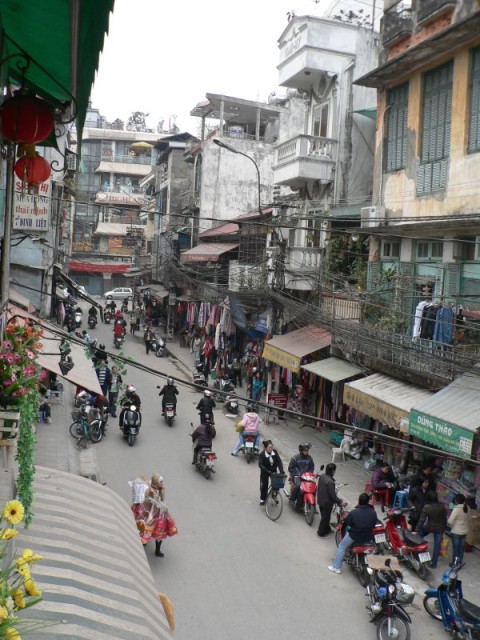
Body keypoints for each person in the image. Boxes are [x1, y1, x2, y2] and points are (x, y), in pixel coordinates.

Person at [328, 492, 378, 574]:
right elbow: (373, 524)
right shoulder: (373, 513)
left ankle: (336, 567)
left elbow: (347, 523)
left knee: (341, 547)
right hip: (368, 536)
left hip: (355, 536)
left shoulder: (354, 512)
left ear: (359, 501)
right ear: (367, 502)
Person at [139, 473, 177, 558]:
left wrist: (162, 505)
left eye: (162, 481)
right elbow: (145, 501)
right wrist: (152, 500)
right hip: (150, 513)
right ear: (156, 482)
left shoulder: (162, 490)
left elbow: (163, 501)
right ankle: (143, 540)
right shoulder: (149, 491)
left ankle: (157, 550)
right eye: (160, 481)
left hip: (160, 513)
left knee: (160, 532)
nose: (162, 483)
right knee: (146, 528)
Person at [415, 491, 448, 569]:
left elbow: (422, 520)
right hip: (439, 528)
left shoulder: (427, 507)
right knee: (437, 546)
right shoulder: (442, 507)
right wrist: (444, 528)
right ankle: (434, 563)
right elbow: (444, 519)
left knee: (419, 537)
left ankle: (419, 554)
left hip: (429, 527)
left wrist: (416, 529)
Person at [317, 463, 346, 537]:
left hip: (320, 500)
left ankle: (327, 529)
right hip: (327, 503)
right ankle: (321, 532)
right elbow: (333, 496)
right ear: (333, 471)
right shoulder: (330, 482)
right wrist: (340, 502)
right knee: (325, 518)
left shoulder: (322, 476)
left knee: (326, 517)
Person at [287, 443, 315, 508]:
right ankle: (292, 499)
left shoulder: (310, 458)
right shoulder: (295, 458)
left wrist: (310, 473)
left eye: (307, 451)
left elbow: (312, 466)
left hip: (307, 477)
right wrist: (298, 473)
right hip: (297, 476)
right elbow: (291, 468)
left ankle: (313, 505)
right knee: (298, 486)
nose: (307, 452)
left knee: (313, 487)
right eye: (305, 451)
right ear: (301, 451)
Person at [258, 440, 284, 506]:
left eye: (272, 447)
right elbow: (260, 465)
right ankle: (262, 499)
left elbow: (279, 461)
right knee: (265, 486)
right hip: (265, 472)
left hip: (273, 471)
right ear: (265, 448)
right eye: (269, 447)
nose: (271, 449)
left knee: (277, 484)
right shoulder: (262, 455)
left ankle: (274, 495)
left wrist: (281, 471)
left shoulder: (274, 452)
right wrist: (268, 471)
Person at [447, 493, 469, 565]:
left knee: (456, 548)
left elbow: (450, 521)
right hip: (464, 531)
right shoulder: (467, 508)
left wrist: (451, 524)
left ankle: (454, 563)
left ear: (456, 501)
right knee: (461, 548)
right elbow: (469, 519)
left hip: (456, 531)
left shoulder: (456, 509)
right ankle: (460, 562)